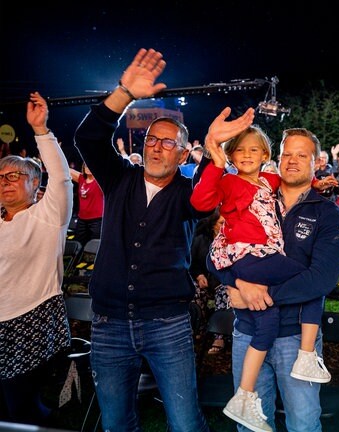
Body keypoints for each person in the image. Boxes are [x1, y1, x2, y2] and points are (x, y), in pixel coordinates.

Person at [73, 48, 210, 431]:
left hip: (167, 323)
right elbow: (88, 137)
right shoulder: (119, 179)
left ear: (183, 152)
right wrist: (125, 94)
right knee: (117, 423)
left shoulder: (188, 193)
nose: (156, 147)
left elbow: (211, 193)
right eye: (152, 139)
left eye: (169, 143)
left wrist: (215, 150)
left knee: (185, 423)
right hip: (109, 322)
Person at [190, 120, 331, 432]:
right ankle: (306, 354)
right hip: (251, 257)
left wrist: (317, 186)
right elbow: (200, 203)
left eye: (254, 149)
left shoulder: (269, 181)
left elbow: (291, 181)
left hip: (265, 302)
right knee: (306, 277)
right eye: (239, 150)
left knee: (266, 325)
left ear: (265, 154)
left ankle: (244, 396)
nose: (247, 155)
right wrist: (215, 163)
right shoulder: (228, 181)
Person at [223, 127, 339, 432]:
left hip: (295, 338)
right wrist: (235, 284)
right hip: (246, 331)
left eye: (301, 155)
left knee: (303, 425)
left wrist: (258, 293)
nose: (292, 161)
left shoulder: (329, 214)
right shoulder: (252, 199)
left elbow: (320, 280)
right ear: (276, 159)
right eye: (287, 154)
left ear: (317, 161)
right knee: (250, 425)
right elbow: (216, 252)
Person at [0, 92, 73, 425]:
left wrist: (41, 131)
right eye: (1, 177)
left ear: (34, 185)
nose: (5, 183)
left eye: (14, 176)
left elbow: (60, 179)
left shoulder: (47, 217)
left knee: (22, 407)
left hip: (34, 318)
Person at [189, 208, 228, 352]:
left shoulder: (231, 243)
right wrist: (199, 275)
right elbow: (192, 264)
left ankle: (220, 337)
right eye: (221, 223)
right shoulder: (201, 241)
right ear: (213, 225)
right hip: (204, 281)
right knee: (194, 291)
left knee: (225, 293)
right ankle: (198, 330)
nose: (224, 226)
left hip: (222, 283)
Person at [69, 162, 104, 246]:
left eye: (90, 165)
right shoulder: (81, 178)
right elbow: (64, 168)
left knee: (94, 246)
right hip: (82, 220)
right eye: (86, 165)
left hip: (97, 220)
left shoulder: (100, 181)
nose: (88, 167)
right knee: (78, 244)